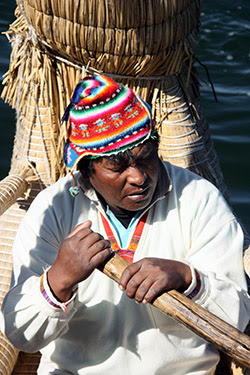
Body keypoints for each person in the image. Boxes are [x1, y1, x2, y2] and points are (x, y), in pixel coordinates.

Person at [1, 74, 249, 375]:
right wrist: (58, 280)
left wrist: (187, 278)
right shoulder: (52, 210)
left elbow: (239, 316)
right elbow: (22, 336)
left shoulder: (198, 198)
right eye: (117, 166)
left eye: (146, 157)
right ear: (85, 170)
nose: (138, 177)